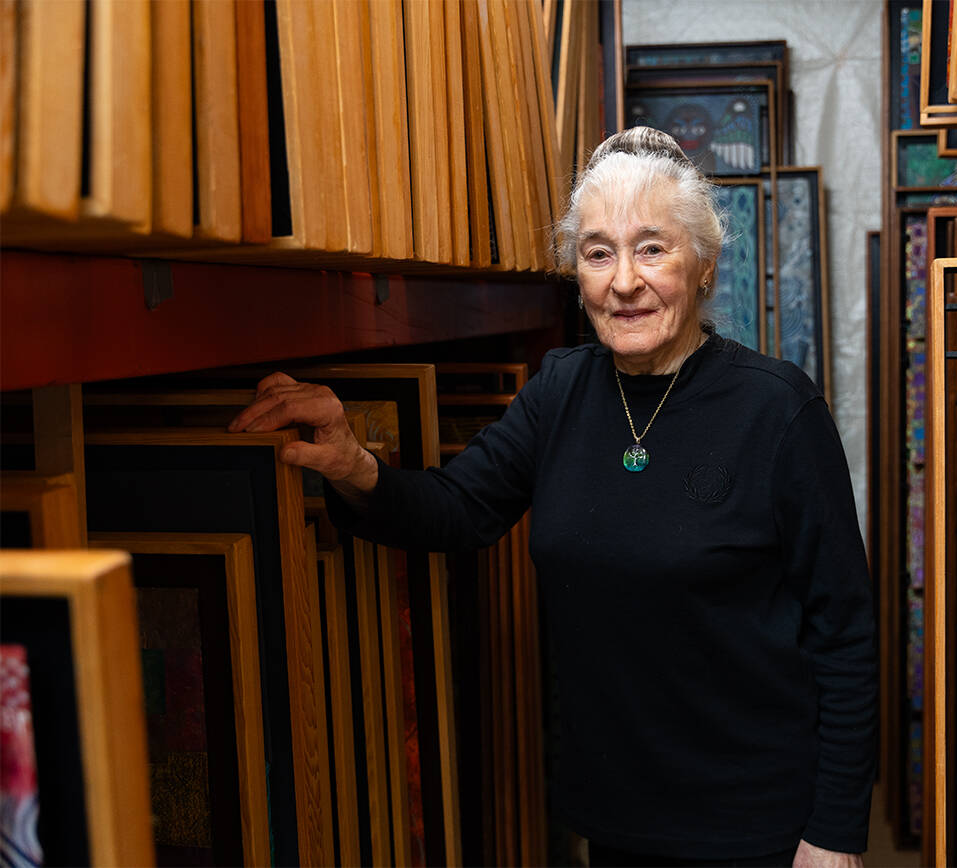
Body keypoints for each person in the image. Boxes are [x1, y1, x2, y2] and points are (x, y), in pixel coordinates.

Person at [230, 127, 877, 867]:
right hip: (614, 817)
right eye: (599, 252)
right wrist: (352, 462)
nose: (624, 281)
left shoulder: (778, 410)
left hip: (758, 823)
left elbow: (845, 635)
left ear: (704, 266)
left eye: (652, 248)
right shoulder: (560, 391)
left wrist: (834, 832)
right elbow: (457, 509)